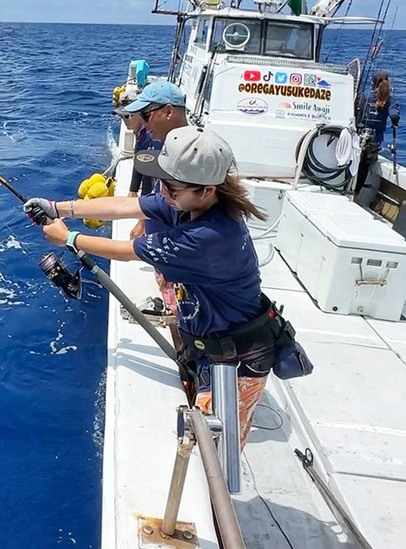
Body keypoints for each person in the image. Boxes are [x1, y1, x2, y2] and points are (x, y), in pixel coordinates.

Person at [24, 126, 276, 449]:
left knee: (211, 459)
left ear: (208, 190)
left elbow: (129, 252)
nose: (164, 194)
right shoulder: (187, 200)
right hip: (208, 344)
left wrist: (68, 238)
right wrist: (59, 208)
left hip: (235, 365)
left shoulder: (208, 238)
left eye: (171, 188)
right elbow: (125, 207)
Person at [118, 80, 188, 239]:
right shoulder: (165, 148)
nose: (142, 121)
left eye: (145, 115)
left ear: (169, 112)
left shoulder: (188, 159)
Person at [355, 70, 400, 193]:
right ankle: (357, 191)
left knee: (355, 160)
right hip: (374, 140)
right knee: (365, 165)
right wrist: (395, 123)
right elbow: (394, 116)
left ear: (372, 83)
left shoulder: (365, 96)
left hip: (359, 135)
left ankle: (346, 184)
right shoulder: (390, 100)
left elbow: (356, 112)